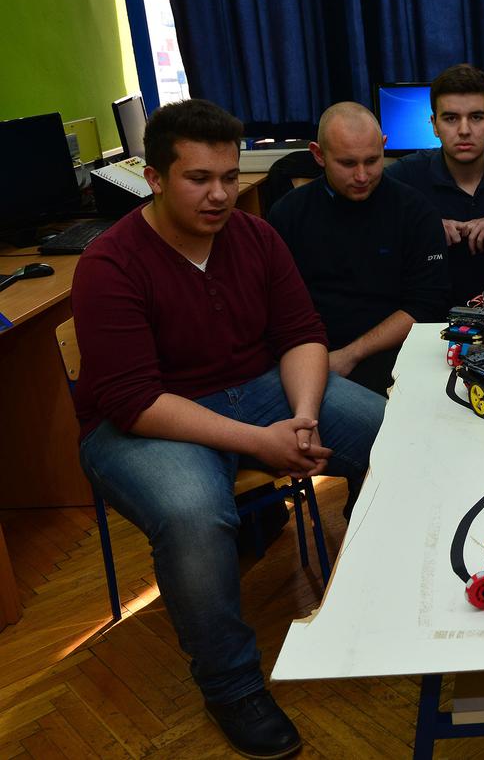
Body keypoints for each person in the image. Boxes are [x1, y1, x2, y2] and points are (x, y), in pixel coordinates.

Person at [72, 99, 386, 759]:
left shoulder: (256, 235)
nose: (220, 193)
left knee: (394, 429)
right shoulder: (110, 264)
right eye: (198, 178)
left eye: (228, 175)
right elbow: (133, 399)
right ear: (154, 179)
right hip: (145, 419)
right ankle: (232, 683)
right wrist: (260, 441)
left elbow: (301, 334)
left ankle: (400, 597)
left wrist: (300, 414)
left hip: (260, 388)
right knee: (193, 514)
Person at [269, 102, 451, 395]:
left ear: (383, 146)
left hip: (396, 353)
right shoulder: (287, 215)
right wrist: (314, 360)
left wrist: (351, 354)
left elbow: (425, 305)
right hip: (312, 356)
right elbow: (278, 310)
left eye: (372, 160)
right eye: (348, 163)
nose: (363, 175)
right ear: (318, 155)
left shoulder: (415, 211)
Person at [383, 63, 484, 307]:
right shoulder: (405, 174)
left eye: (476, 117)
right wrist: (424, 227)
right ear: (434, 124)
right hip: (432, 321)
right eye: (451, 118)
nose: (464, 130)